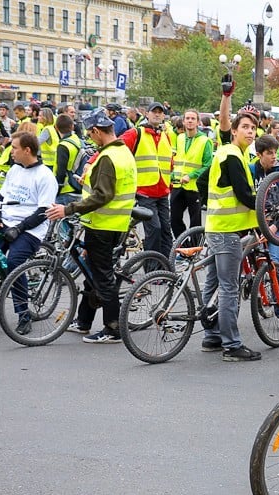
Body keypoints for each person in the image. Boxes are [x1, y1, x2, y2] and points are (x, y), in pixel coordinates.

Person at [45, 109, 137, 343]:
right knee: (91, 272)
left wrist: (68, 209)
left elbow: (102, 196)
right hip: (113, 222)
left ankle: (113, 328)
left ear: (96, 131)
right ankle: (84, 321)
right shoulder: (121, 151)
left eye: (90, 134)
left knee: (103, 277)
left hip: (103, 224)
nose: (90, 137)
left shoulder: (107, 158)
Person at [198, 76, 263, 361]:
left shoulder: (226, 151)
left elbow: (202, 182)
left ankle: (211, 337)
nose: (250, 132)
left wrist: (226, 97)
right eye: (245, 127)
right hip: (226, 232)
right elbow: (245, 197)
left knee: (213, 284)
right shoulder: (233, 156)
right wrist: (265, 207)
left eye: (254, 128)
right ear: (235, 131)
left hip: (216, 227)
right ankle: (232, 345)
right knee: (228, 287)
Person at [0, 131, 57, 330]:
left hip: (31, 229)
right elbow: (2, 198)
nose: (11, 151)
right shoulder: (14, 170)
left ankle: (23, 315)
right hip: (6, 222)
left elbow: (43, 211)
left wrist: (20, 228)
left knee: (14, 262)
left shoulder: (45, 176)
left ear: (27, 150)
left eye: (14, 148)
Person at [120, 102, 173, 260]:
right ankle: (151, 266)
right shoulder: (136, 133)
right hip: (145, 191)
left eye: (160, 112)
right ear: (147, 114)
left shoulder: (165, 136)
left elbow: (168, 161)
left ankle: (166, 266)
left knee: (165, 229)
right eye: (154, 112)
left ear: (163, 116)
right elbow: (115, 147)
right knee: (154, 229)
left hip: (163, 190)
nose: (157, 115)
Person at [170, 109, 213, 238]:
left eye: (193, 119)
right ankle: (183, 246)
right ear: (183, 121)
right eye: (187, 118)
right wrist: (171, 175)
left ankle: (194, 251)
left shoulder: (205, 141)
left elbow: (208, 166)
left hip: (195, 187)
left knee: (195, 222)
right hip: (178, 186)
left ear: (198, 122)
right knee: (174, 219)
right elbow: (178, 160)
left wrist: (191, 175)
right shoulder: (180, 138)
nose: (189, 121)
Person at [53, 113, 82, 205]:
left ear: (56, 128)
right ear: (72, 127)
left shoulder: (63, 146)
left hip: (66, 189)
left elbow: (61, 172)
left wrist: (56, 190)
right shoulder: (76, 139)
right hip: (78, 184)